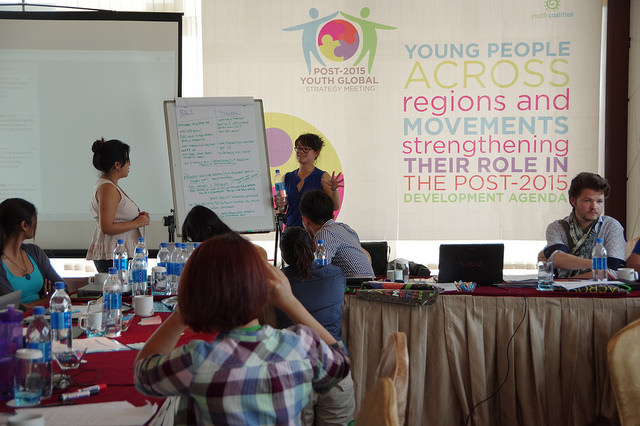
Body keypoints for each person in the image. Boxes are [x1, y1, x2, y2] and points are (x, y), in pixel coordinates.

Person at [134, 232, 350, 425]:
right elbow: (340, 362)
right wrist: (290, 302)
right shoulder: (301, 345)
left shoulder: (196, 361)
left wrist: (182, 312)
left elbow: (144, 373)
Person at [277, 226, 355, 425]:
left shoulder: (278, 284)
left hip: (294, 372)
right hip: (334, 367)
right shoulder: (336, 275)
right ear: (314, 246)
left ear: (284, 257)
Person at [542, 172, 626, 278]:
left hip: (599, 287)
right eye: (587, 201)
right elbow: (557, 259)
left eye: (599, 201)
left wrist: (569, 281)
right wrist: (594, 264)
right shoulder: (556, 227)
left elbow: (613, 271)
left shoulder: (612, 226)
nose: (594, 206)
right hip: (562, 288)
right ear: (573, 201)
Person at [86, 138, 150, 273]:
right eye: (127, 160)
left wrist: (137, 218)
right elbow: (107, 227)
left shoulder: (110, 185)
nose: (130, 164)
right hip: (115, 255)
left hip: (120, 253)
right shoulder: (107, 188)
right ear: (117, 164)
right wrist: (137, 222)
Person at [0, 198, 64, 309]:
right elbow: (10, 307)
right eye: (35, 220)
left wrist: (30, 305)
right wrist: (46, 300)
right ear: (24, 225)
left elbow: (62, 289)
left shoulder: (34, 252)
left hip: (44, 316)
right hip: (16, 320)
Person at [299, 190, 374, 278]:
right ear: (332, 215)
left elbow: (320, 270)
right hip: (368, 283)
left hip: (354, 285)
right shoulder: (345, 228)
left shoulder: (324, 234)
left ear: (305, 220)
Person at [279, 133, 344, 227]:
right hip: (291, 229)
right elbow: (281, 210)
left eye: (306, 149)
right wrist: (280, 205)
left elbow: (335, 206)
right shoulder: (287, 177)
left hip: (314, 231)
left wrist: (334, 189)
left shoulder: (323, 177)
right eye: (298, 148)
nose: (300, 152)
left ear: (316, 153)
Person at [181, 205, 268, 259]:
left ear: (209, 229)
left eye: (196, 239)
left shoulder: (219, 255)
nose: (195, 245)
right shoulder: (253, 249)